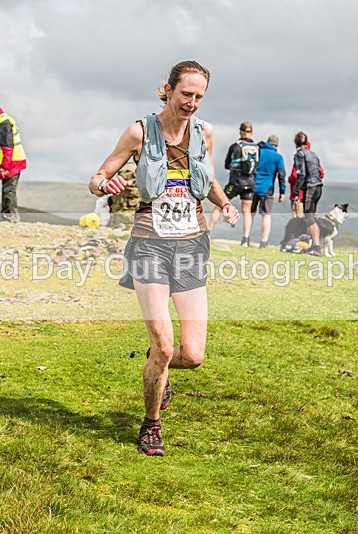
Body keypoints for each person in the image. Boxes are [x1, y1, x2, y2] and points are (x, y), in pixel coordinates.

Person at [89, 60, 239, 456]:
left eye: (198, 96)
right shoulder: (139, 131)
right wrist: (108, 181)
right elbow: (96, 178)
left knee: (191, 355)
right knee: (163, 342)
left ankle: (160, 372)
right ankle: (152, 424)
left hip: (191, 245)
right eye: (185, 94)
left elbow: (205, 180)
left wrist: (224, 204)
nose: (191, 102)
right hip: (149, 243)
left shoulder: (203, 133)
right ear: (168, 90)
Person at [207, 122, 257, 245]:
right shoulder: (256, 148)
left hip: (235, 182)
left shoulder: (235, 146)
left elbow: (226, 164)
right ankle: (245, 240)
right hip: (250, 183)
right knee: (247, 211)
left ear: (240, 131)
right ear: (252, 132)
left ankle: (207, 233)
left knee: (219, 206)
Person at [0, 98, 27, 223]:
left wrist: (4, 166)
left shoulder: (3, 122)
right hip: (6, 162)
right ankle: (8, 217)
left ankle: (10, 217)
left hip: (13, 161)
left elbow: (7, 146)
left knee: (9, 190)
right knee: (7, 189)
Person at [291, 132, 324, 256]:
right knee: (310, 217)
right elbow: (320, 172)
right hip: (318, 186)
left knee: (309, 218)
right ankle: (310, 246)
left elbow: (301, 174)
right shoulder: (313, 154)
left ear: (296, 143)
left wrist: (295, 193)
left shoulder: (299, 154)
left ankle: (316, 247)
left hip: (310, 187)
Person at [251, 135, 286, 248]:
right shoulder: (278, 157)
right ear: (276, 145)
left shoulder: (258, 151)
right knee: (266, 215)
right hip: (267, 189)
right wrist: (282, 191)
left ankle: (246, 238)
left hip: (253, 186)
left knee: (250, 214)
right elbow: (281, 175)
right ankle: (263, 242)